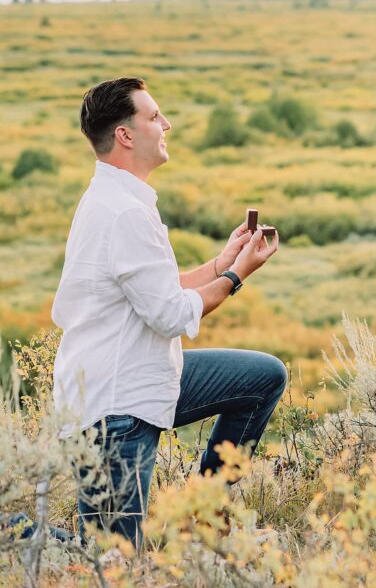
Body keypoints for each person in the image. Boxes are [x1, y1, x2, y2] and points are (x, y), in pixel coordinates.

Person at [51, 77, 287, 549]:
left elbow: (158, 290)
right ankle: (13, 532)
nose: (167, 124)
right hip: (115, 407)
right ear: (126, 135)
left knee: (262, 378)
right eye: (155, 116)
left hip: (143, 377)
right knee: (110, 562)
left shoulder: (117, 199)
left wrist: (222, 262)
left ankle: (203, 518)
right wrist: (237, 276)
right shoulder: (124, 213)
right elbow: (171, 315)